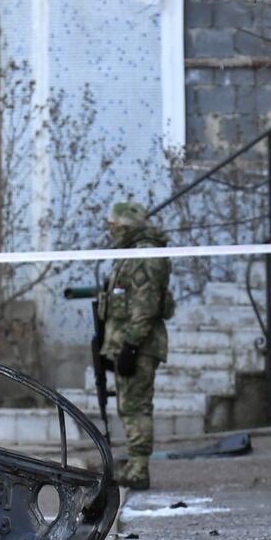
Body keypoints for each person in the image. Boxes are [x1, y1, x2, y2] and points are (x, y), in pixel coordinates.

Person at [99, 201, 173, 490]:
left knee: (136, 407)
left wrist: (130, 346)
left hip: (139, 344)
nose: (111, 233)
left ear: (128, 228)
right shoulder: (132, 253)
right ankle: (134, 462)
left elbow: (143, 307)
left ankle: (139, 467)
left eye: (115, 228)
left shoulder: (144, 256)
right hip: (127, 342)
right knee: (129, 405)